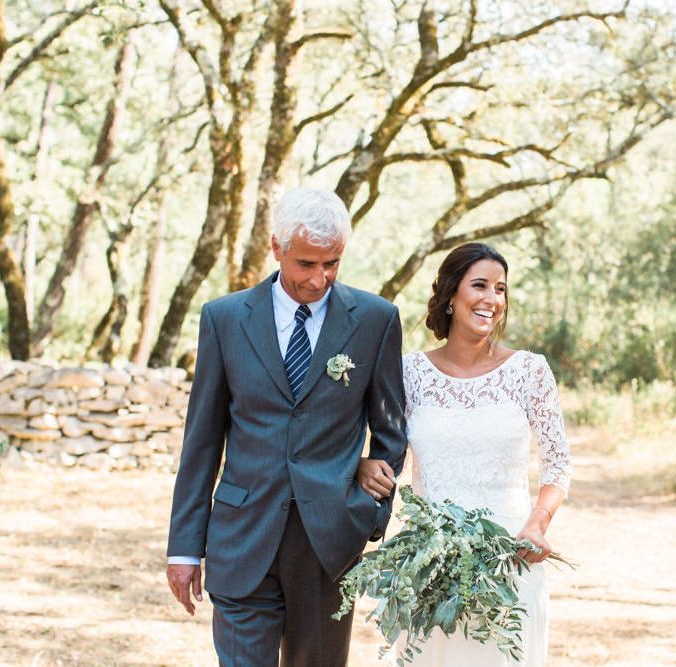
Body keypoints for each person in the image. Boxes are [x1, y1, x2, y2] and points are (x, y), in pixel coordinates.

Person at [166, 187, 408, 666]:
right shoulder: (225, 319)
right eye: (306, 264)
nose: (320, 279)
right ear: (276, 249)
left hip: (329, 543)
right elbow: (202, 441)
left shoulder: (376, 321)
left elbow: (391, 429)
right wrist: (184, 548)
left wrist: (368, 506)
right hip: (241, 536)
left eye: (332, 264)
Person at [357, 242, 571, 666]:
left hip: (510, 556)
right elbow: (385, 451)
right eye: (480, 285)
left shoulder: (529, 371)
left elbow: (558, 461)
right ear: (452, 294)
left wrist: (537, 523)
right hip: (430, 565)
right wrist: (363, 467)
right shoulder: (409, 373)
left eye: (501, 289)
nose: (492, 299)